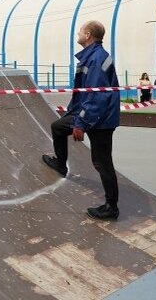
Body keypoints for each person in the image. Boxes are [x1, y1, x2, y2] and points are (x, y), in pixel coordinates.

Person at [42, 21, 121, 220]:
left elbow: (96, 96)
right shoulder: (92, 56)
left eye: (80, 31)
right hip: (90, 113)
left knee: (102, 162)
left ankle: (112, 207)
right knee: (58, 127)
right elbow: (84, 93)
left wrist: (80, 124)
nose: (78, 34)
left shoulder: (96, 59)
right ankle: (61, 163)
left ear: (87, 35)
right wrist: (73, 114)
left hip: (100, 120)